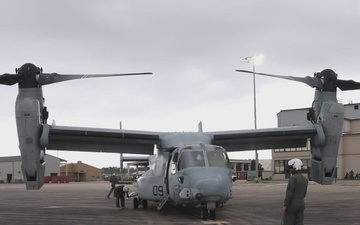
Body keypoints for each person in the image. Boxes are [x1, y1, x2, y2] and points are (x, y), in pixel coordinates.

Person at [282, 158, 308, 225]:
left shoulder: (293, 178)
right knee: (299, 222)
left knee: (288, 222)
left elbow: (289, 193)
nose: (290, 169)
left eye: (291, 167)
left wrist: (285, 205)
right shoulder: (305, 179)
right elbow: (304, 194)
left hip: (292, 205)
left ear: (296, 167)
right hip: (301, 204)